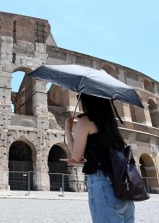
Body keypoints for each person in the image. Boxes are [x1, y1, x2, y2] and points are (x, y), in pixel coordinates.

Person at [65, 94, 135, 223]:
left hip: (102, 184)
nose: (78, 100)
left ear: (88, 100)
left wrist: (68, 130)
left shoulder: (85, 120)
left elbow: (75, 155)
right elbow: (109, 156)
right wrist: (88, 162)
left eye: (78, 97)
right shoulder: (110, 122)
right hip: (123, 187)